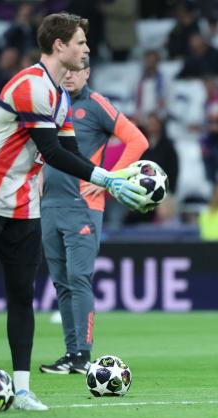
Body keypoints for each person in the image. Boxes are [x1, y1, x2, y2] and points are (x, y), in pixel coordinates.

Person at [0, 12, 148, 411]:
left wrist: (109, 177)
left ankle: (21, 389)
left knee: (22, 295)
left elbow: (70, 152)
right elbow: (52, 153)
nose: (87, 49)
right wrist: (108, 179)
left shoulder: (61, 97)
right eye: (81, 42)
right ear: (60, 46)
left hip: (22, 204)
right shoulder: (31, 86)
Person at [38, 57, 148, 374]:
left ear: (88, 72)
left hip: (82, 206)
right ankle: (71, 354)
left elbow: (138, 140)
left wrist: (110, 179)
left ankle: (82, 355)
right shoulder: (49, 103)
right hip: (49, 204)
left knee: (78, 278)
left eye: (77, 70)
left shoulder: (95, 104)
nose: (70, 75)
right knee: (61, 282)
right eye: (66, 69)